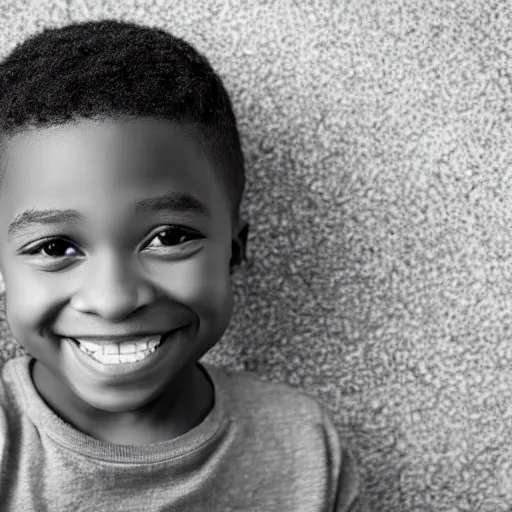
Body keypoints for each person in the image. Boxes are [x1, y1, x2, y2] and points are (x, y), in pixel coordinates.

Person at [0, 19, 362, 511]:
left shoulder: (305, 447)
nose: (113, 299)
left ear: (233, 252)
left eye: (168, 237)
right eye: (55, 247)